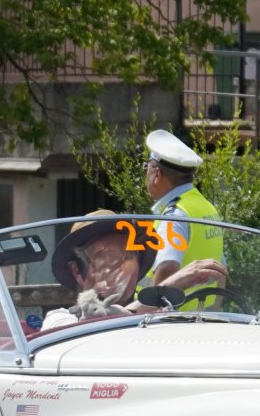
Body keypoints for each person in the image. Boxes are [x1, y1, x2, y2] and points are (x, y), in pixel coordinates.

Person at [41, 210, 227, 330]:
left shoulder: (162, 320)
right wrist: (164, 289)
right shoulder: (59, 321)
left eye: (129, 256)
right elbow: (93, 334)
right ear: (76, 271)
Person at [142, 128, 224, 287]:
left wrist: (149, 308)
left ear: (157, 174)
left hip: (174, 312)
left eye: (146, 168)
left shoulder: (174, 217)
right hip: (205, 311)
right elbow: (221, 270)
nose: (146, 175)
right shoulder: (207, 208)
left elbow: (167, 267)